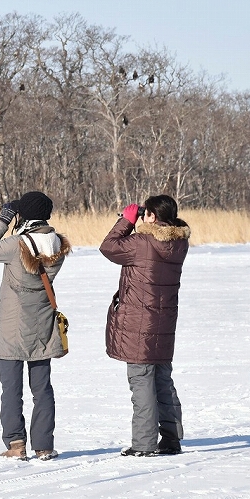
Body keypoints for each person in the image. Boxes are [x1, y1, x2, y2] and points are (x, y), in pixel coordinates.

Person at [0, 191, 71, 461]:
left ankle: (16, 445)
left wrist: (4, 219)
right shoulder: (58, 245)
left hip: (11, 329)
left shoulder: (16, 244)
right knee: (42, 390)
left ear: (24, 214)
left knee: (11, 391)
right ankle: (44, 447)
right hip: (42, 327)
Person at [99, 194, 190, 457]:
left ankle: (144, 444)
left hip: (139, 324)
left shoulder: (142, 242)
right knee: (163, 380)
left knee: (141, 382)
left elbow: (109, 247)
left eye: (145, 214)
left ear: (151, 216)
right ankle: (171, 439)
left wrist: (126, 221)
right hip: (164, 323)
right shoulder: (179, 243)